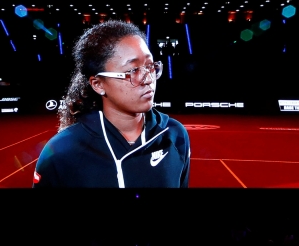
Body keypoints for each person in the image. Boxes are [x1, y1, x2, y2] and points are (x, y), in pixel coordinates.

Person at [33, 20, 189, 188]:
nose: (149, 79)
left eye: (150, 66)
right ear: (98, 84)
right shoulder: (61, 152)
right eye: (133, 70)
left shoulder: (174, 135)